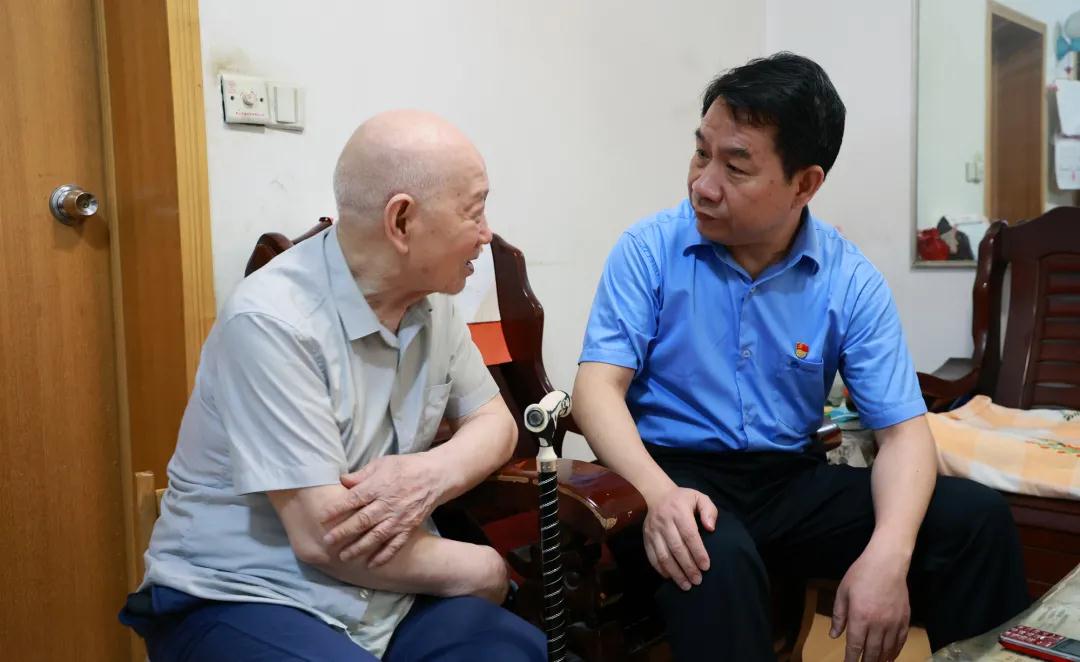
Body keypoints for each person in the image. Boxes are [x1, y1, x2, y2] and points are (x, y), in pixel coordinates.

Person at [573, 53, 1030, 662]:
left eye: (736, 166)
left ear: (805, 184)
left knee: (975, 519)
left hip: (786, 482)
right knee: (713, 555)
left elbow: (903, 435)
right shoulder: (648, 251)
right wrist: (659, 494)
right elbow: (595, 390)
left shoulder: (848, 279)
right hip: (668, 476)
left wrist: (887, 556)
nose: (703, 184)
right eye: (701, 153)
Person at [119, 110, 547, 661]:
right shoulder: (273, 319)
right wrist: (482, 565)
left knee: (519, 653)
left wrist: (431, 474)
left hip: (387, 591)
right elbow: (325, 537)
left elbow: (494, 421)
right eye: (474, 211)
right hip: (249, 591)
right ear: (401, 222)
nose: (487, 233)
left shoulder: (430, 302)